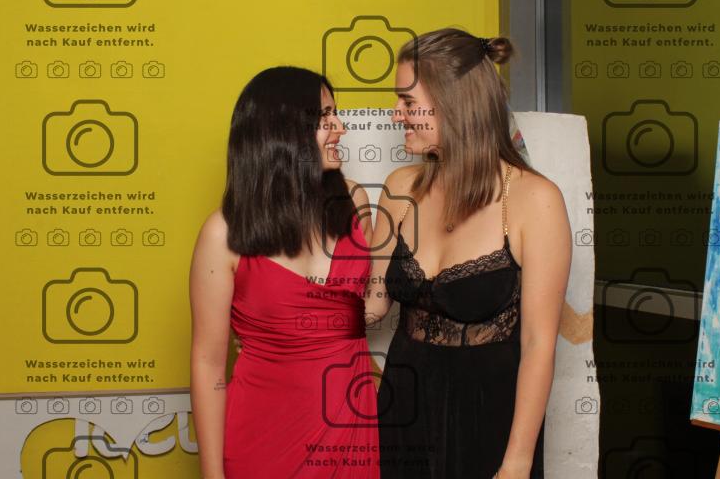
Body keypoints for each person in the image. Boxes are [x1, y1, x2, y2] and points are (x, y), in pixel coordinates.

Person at [363, 29, 572, 479]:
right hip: (404, 405)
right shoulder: (400, 189)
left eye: (407, 101)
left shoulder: (535, 200)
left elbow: (538, 345)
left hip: (487, 417)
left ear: (452, 102)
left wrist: (517, 462)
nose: (396, 113)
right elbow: (373, 305)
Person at [189, 66, 380, 478]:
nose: (340, 127)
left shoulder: (354, 203)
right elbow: (208, 365)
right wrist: (212, 474)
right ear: (283, 132)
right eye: (325, 117)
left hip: (350, 433)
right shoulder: (223, 234)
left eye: (336, 114)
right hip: (263, 438)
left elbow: (365, 307)